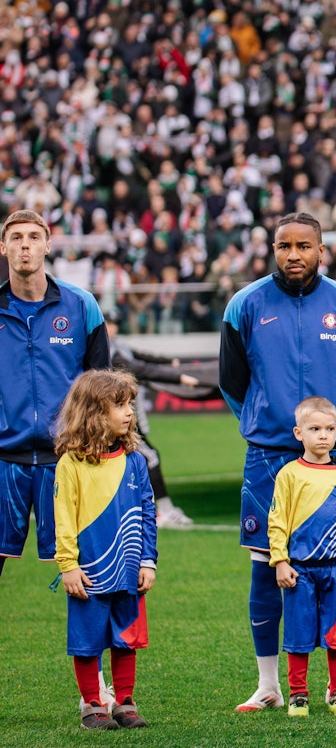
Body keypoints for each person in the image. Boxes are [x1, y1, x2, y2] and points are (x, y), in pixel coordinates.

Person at [219, 211, 336, 711]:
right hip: (268, 456)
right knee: (267, 568)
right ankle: (268, 684)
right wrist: (265, 420)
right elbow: (232, 381)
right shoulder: (245, 304)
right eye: (284, 246)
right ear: (272, 250)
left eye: (303, 246)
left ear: (321, 251)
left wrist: (328, 429)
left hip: (332, 459)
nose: (293, 255)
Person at [0, 209, 110, 580]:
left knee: (87, 570)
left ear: (48, 245)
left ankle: (93, 642)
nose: (25, 246)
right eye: (16, 238)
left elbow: (101, 386)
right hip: (3, 460)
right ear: (3, 248)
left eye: (33, 237)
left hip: (67, 459)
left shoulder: (81, 305)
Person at [53, 370, 157, 730]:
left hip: (130, 571)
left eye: (130, 403)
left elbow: (147, 515)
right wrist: (68, 565)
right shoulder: (71, 464)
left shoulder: (135, 461)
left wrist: (148, 560)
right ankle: (93, 705)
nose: (129, 412)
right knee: (87, 642)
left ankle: (124, 703)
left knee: (126, 640)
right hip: (90, 573)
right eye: (119, 405)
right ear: (94, 413)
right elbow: (63, 519)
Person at [268, 396, 336, 717]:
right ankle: (298, 695)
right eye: (315, 429)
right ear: (299, 433)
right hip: (300, 569)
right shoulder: (288, 474)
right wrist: (280, 560)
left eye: (329, 429)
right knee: (298, 633)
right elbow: (277, 520)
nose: (323, 436)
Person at [104, 311, 199, 527]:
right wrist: (179, 377)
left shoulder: (118, 346)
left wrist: (170, 362)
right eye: (109, 324)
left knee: (128, 462)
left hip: (128, 417)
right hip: (115, 419)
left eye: (115, 324)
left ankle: (130, 509)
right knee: (150, 457)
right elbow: (140, 368)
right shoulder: (109, 352)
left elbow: (142, 357)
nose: (113, 328)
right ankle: (164, 511)